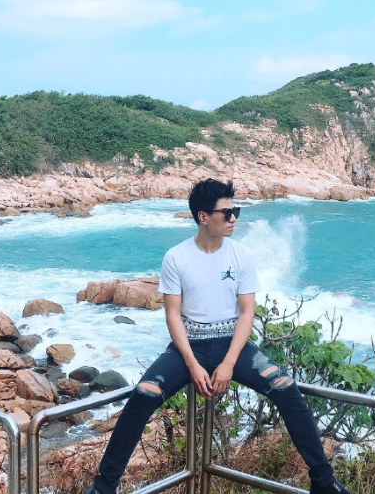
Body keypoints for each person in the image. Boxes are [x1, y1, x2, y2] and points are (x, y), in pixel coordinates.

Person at [86, 178, 351, 494]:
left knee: (286, 388)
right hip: (188, 348)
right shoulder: (176, 257)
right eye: (226, 213)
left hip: (232, 346)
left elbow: (247, 313)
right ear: (203, 217)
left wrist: (228, 364)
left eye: (235, 211)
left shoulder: (241, 255)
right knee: (142, 395)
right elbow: (173, 315)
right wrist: (192, 365)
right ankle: (104, 486)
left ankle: (323, 481)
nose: (234, 218)